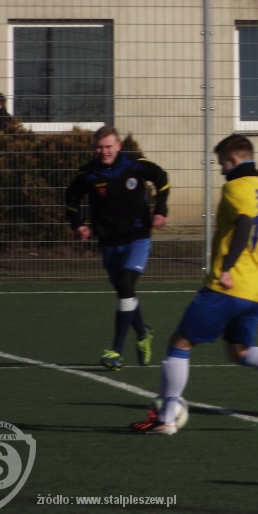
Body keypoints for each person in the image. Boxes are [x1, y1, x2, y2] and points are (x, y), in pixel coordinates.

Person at [130, 134, 258, 435]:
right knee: (240, 352)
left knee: (179, 344)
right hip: (256, 289)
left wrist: (226, 268)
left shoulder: (237, 186)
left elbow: (245, 223)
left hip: (228, 284)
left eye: (222, 163)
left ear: (234, 160)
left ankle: (166, 419)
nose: (221, 169)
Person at [65, 126, 170, 371]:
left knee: (125, 284)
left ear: (119, 146)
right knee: (125, 292)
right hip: (108, 242)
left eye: (108, 146)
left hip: (137, 238)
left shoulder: (135, 165)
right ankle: (143, 333)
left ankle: (116, 352)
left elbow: (161, 178)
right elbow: (71, 198)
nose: (104, 151)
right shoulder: (89, 173)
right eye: (99, 147)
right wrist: (78, 224)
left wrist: (161, 209)